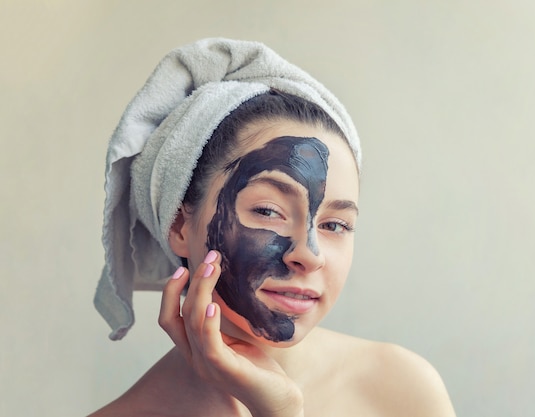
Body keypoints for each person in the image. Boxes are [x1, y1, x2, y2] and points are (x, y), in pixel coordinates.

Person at [89, 38, 456, 417]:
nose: (309, 255)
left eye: (335, 224)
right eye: (268, 211)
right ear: (180, 223)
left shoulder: (400, 386)